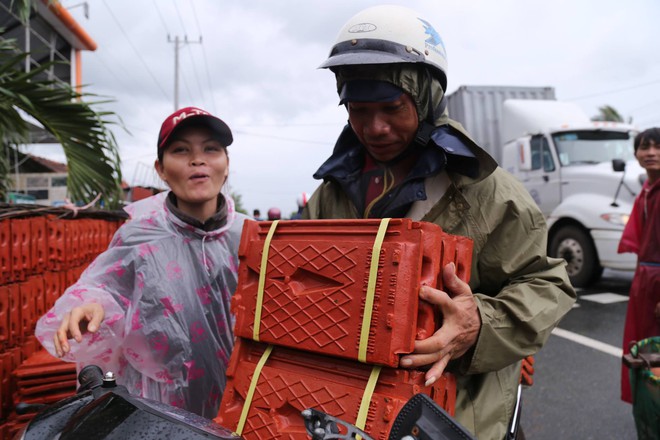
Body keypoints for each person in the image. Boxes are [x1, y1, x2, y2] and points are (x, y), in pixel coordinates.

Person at [303, 6, 576, 439]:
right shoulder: (330, 193)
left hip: (459, 416)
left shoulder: (486, 189)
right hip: (350, 414)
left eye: (392, 107)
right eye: (358, 109)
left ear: (426, 95)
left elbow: (548, 284)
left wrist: (480, 324)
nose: (374, 127)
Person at [35, 106, 250, 419]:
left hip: (238, 397)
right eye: (180, 150)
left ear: (226, 164)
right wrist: (94, 307)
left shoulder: (251, 236)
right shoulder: (138, 234)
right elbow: (104, 287)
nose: (197, 159)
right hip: (161, 404)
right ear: (160, 169)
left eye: (211, 149)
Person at [618, 127, 660, 403]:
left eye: (658, 147)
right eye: (645, 147)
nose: (652, 153)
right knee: (647, 345)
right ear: (636, 153)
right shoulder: (646, 190)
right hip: (645, 279)